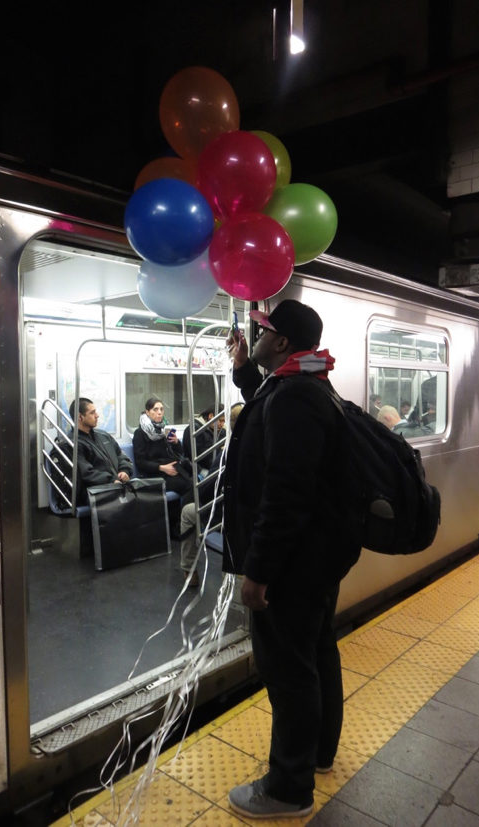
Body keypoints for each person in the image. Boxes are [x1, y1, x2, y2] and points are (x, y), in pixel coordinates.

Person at [223, 299, 361, 819]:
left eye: (262, 332)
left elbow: (284, 494)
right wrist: (242, 370)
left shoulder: (296, 397)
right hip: (317, 559)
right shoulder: (304, 383)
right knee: (317, 654)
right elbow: (266, 411)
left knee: (289, 671)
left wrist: (258, 572)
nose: (255, 336)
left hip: (292, 566)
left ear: (281, 342)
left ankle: (287, 789)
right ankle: (319, 754)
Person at [179, 402, 244, 587]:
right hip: (255, 510)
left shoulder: (228, 451)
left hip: (230, 512)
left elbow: (208, 488)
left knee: (188, 511)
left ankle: (189, 570)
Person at [132, 397, 193, 536]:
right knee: (190, 486)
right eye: (155, 409)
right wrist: (162, 468)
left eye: (161, 409)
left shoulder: (163, 431)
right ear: (147, 412)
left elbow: (179, 453)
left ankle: (185, 523)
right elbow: (140, 462)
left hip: (171, 470)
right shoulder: (140, 433)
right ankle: (180, 527)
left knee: (195, 482)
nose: (159, 413)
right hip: (155, 474)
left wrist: (176, 442)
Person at [68, 397, 132, 503]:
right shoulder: (73, 443)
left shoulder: (103, 435)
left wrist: (124, 471)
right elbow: (86, 473)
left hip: (116, 485)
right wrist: (112, 480)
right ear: (80, 417)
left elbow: (121, 456)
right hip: (96, 490)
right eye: (92, 413)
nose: (97, 415)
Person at [183, 405, 225, 473]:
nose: (222, 424)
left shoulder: (221, 432)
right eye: (220, 420)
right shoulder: (193, 430)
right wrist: (220, 449)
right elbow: (200, 457)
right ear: (211, 416)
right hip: (198, 469)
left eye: (224, 421)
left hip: (216, 467)